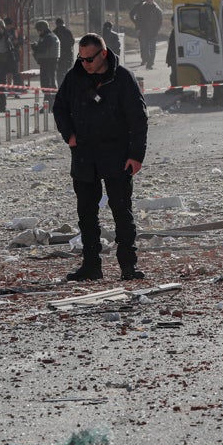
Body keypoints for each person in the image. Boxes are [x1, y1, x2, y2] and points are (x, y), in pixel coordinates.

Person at [52, 33, 148, 282]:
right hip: (84, 156)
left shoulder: (123, 78)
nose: (85, 63)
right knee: (86, 215)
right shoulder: (74, 77)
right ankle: (91, 266)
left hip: (116, 155)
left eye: (89, 59)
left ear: (103, 54)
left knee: (121, 212)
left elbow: (138, 118)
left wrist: (136, 156)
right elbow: (59, 106)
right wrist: (69, 135)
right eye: (81, 58)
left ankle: (128, 266)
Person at [30, 19, 60, 106]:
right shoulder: (49, 36)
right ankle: (50, 104)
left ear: (42, 29)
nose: (37, 32)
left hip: (48, 63)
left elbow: (42, 49)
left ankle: (49, 105)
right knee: (49, 84)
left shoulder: (48, 37)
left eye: (38, 30)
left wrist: (34, 47)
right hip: (49, 63)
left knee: (47, 84)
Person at [131, 0, 163, 68]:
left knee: (152, 48)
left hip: (153, 31)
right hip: (143, 31)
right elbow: (138, 19)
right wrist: (138, 28)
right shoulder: (141, 8)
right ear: (145, 0)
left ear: (153, 0)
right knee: (144, 47)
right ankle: (147, 60)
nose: (149, 1)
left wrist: (157, 30)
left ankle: (150, 62)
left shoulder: (157, 9)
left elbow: (160, 21)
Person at [3, 16, 24, 97]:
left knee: (15, 74)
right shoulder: (3, 32)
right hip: (5, 55)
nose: (8, 27)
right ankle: (7, 89)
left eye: (8, 25)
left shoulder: (15, 31)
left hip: (14, 55)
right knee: (6, 73)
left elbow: (21, 40)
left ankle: (16, 91)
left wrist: (16, 42)